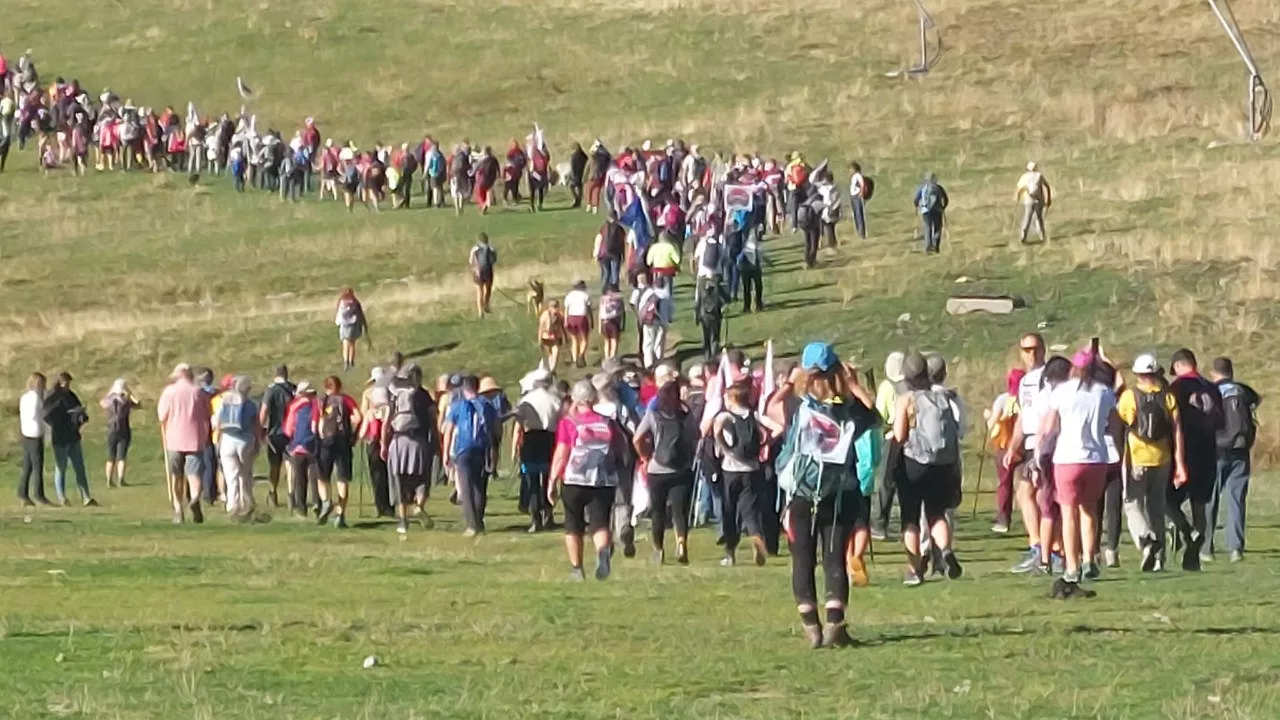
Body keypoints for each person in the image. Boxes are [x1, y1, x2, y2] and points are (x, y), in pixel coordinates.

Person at [774, 343, 870, 648]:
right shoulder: (849, 409)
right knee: (834, 559)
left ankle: (811, 627)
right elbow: (876, 418)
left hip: (800, 492)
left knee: (802, 559)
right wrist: (854, 385)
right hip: (837, 493)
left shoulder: (797, 406)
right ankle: (835, 625)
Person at [1038, 349, 1122, 589]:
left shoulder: (1061, 392)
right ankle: (1088, 559)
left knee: (1068, 513)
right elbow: (1115, 424)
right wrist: (1119, 451)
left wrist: (1042, 451)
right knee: (1089, 511)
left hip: (1067, 458)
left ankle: (1072, 566)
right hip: (1096, 458)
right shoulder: (1104, 392)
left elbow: (1050, 426)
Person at [892, 352, 963, 585]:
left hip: (914, 464)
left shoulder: (906, 399)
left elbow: (900, 435)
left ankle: (915, 570)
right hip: (941, 465)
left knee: (910, 518)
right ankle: (945, 550)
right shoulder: (942, 398)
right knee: (936, 513)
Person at [1116, 353, 1185, 572]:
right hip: (1162, 458)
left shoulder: (1129, 396)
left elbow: (1122, 424)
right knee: (1157, 507)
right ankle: (1159, 559)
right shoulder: (1168, 397)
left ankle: (1146, 540)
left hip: (1137, 458)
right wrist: (1180, 463)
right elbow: (1177, 431)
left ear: (1137, 374)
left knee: (1132, 504)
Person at [549, 380, 621, 581]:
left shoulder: (568, 423)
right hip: (602, 479)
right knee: (600, 523)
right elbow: (619, 449)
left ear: (575, 399)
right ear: (594, 398)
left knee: (573, 525)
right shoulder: (607, 422)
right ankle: (602, 550)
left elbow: (562, 453)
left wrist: (552, 478)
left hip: (574, 479)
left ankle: (577, 569)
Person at [711, 381, 781, 567]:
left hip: (730, 470)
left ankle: (730, 554)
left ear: (732, 399)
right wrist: (766, 444)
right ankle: (756, 536)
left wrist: (725, 449)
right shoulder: (754, 415)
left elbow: (716, 429)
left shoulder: (726, 416)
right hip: (752, 469)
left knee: (729, 511)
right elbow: (778, 428)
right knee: (750, 511)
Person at [1167, 349, 1223, 570]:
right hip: (1208, 451)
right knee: (1200, 504)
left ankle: (1184, 529)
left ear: (1179, 366)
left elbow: (1171, 421)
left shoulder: (1176, 389)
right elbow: (1220, 421)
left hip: (1183, 452)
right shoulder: (1212, 388)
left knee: (1167, 501)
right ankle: (1197, 543)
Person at [632, 373, 697, 565]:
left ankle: (658, 549)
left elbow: (637, 438)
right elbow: (695, 436)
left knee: (658, 511)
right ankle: (681, 543)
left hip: (657, 468)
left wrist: (644, 456)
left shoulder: (653, 415)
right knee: (679, 511)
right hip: (681, 468)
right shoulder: (686, 415)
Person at [1004, 333, 1050, 573]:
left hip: (1046, 442)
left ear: (1043, 349)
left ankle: (1048, 548)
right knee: (1024, 494)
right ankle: (1038, 544)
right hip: (1030, 442)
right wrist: (1013, 446)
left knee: (1041, 495)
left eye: (1035, 349)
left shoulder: (1051, 377)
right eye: (1026, 349)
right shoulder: (1024, 381)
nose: (1031, 354)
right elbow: (1024, 415)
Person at [1208, 357, 1260, 562]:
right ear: (1231, 372)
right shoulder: (1242, 391)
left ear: (1214, 373)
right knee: (1236, 499)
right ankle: (1236, 548)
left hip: (1218, 450)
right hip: (1241, 449)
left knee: (1210, 499)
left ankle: (1206, 548)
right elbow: (1257, 399)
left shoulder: (1213, 391)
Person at [382, 364, 438, 535]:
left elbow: (386, 422)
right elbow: (433, 421)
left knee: (400, 481)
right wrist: (436, 442)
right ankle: (419, 506)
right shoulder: (424, 395)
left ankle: (402, 521)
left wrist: (384, 444)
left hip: (398, 442)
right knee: (422, 478)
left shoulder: (395, 395)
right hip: (419, 441)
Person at [444, 375, 498, 536]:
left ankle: (472, 525)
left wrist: (446, 452)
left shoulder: (458, 406)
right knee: (479, 486)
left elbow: (448, 430)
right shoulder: (487, 406)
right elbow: (495, 429)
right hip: (482, 448)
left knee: (466, 487)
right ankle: (479, 521)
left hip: (463, 449)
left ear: (464, 388)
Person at [158, 364, 211, 523]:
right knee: (194, 474)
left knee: (176, 475)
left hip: (174, 439)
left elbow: (161, 416)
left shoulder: (169, 392)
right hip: (194, 439)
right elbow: (208, 413)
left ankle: (178, 509)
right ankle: (194, 498)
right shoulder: (198, 392)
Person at [514, 369, 561, 532]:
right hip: (549, 438)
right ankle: (548, 514)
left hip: (531, 438)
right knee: (549, 478)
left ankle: (535, 519)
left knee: (532, 479)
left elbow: (519, 423)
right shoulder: (555, 400)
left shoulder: (526, 400)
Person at [42, 372, 95, 508]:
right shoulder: (52, 397)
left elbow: (78, 409)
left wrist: (80, 415)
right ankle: (62, 497)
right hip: (60, 437)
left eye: (69, 383)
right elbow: (47, 415)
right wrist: (63, 415)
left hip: (73, 436)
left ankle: (86, 497)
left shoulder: (71, 395)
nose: (68, 386)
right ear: (60, 383)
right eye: (66, 383)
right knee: (61, 467)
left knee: (79, 467)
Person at [213, 375, 262, 519]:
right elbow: (256, 426)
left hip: (227, 440)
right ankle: (246, 502)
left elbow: (216, 422)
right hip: (245, 440)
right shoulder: (251, 405)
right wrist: (258, 441)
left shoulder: (225, 400)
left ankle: (232, 505)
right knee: (245, 474)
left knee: (231, 475)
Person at [317, 376, 362, 528]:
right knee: (342, 479)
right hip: (343, 441)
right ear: (340, 386)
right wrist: (353, 433)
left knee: (322, 476)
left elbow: (317, 423)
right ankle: (340, 514)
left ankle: (326, 501)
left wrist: (321, 436)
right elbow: (358, 417)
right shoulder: (346, 400)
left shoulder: (322, 401)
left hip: (327, 442)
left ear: (326, 387)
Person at [985, 369, 1023, 533]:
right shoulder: (1027, 399)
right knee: (1027, 484)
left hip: (1004, 445)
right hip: (1023, 445)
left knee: (1004, 484)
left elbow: (992, 424)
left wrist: (988, 416)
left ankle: (1003, 520)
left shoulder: (1002, 400)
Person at [283, 381, 322, 518]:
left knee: (300, 479)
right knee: (316, 477)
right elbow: (317, 427)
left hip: (297, 447)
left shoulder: (294, 407)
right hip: (314, 446)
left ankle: (301, 508)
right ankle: (317, 503)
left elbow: (288, 430)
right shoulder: (318, 405)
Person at [360, 367, 394, 518]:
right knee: (389, 472)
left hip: (373, 438)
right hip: (389, 436)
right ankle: (390, 505)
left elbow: (364, 413)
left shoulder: (368, 393)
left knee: (376, 473)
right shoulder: (391, 392)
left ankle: (380, 505)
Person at [259, 365, 295, 509]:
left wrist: (260, 428)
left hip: (274, 433)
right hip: (291, 432)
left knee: (274, 465)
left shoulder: (271, 390)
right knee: (290, 464)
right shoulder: (293, 389)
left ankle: (273, 491)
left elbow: (264, 411)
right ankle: (291, 493)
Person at [17, 372, 51, 506]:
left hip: (25, 433)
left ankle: (23, 493)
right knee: (37, 466)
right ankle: (38, 494)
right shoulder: (37, 397)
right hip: (35, 433)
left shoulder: (24, 397)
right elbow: (37, 415)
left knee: (27, 466)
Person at [99, 379, 140, 488]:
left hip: (111, 430)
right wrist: (129, 393)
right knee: (121, 456)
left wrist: (110, 393)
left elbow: (102, 403)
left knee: (110, 457)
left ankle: (109, 480)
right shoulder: (125, 400)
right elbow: (138, 404)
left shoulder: (110, 400)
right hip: (124, 429)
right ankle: (121, 479)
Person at [635, 274, 672, 369]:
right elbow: (671, 309)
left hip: (649, 320)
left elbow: (641, 306)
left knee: (648, 342)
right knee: (659, 342)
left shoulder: (649, 292)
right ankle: (659, 361)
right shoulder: (666, 295)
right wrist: (669, 319)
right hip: (663, 321)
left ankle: (648, 363)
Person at [1014, 161, 1052, 244]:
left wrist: (1017, 197)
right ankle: (1042, 236)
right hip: (1039, 200)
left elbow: (1019, 188)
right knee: (1039, 219)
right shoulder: (1039, 176)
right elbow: (1047, 186)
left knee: (1027, 218)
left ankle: (1023, 236)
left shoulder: (1024, 177)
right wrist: (1048, 198)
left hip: (1029, 200)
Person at [913, 172, 949, 254]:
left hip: (926, 211)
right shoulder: (939, 188)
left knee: (927, 227)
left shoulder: (923, 187)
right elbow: (946, 199)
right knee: (937, 228)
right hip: (937, 210)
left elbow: (916, 198)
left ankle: (928, 246)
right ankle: (935, 246)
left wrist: (917, 205)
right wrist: (943, 207)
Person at [736, 226, 769, 313]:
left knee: (748, 287)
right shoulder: (751, 238)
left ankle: (748, 306)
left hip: (746, 266)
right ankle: (757, 305)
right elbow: (760, 251)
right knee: (756, 286)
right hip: (753, 266)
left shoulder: (743, 237)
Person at [335, 288, 369, 371]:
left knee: (345, 344)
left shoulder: (342, 302)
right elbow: (360, 314)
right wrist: (364, 325)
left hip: (344, 325)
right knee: (352, 344)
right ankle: (351, 361)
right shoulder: (355, 302)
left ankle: (346, 362)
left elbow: (339, 314)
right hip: (354, 324)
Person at [696, 275, 729, 360]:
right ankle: (713, 357)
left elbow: (698, 300)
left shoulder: (701, 283)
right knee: (714, 337)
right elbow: (726, 298)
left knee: (707, 336)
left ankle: (708, 357)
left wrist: (697, 315)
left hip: (705, 314)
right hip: (715, 314)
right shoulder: (717, 281)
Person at [593, 212, 626, 294]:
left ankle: (604, 289)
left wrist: (596, 254)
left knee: (606, 273)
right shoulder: (620, 229)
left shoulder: (603, 228)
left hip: (603, 254)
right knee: (615, 272)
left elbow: (598, 241)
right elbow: (622, 243)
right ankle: (614, 288)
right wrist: (623, 255)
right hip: (616, 254)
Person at [563, 280, 593, 369]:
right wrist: (591, 320)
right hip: (582, 317)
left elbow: (566, 309)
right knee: (584, 339)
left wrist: (565, 320)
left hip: (571, 317)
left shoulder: (569, 295)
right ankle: (581, 355)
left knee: (574, 340)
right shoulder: (585, 295)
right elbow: (589, 309)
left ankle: (575, 360)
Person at [469, 232, 497, 318]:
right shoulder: (491, 248)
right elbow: (494, 260)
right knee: (487, 289)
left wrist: (474, 269)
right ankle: (486, 304)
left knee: (479, 291)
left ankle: (480, 312)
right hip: (488, 272)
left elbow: (471, 261)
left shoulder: (474, 249)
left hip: (477, 273)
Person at [598, 284, 625, 363]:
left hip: (604, 322)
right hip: (614, 321)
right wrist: (622, 324)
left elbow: (600, 313)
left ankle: (607, 358)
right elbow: (622, 312)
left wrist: (599, 326)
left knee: (606, 341)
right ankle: (612, 358)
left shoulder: (602, 299)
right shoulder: (619, 299)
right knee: (614, 341)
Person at [537, 299, 566, 373]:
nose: (555, 309)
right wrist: (539, 339)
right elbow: (540, 328)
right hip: (546, 337)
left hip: (556, 337)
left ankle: (553, 369)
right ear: (549, 308)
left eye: (557, 306)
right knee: (549, 354)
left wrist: (565, 336)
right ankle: (550, 368)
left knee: (556, 353)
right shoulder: (545, 315)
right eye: (554, 307)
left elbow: (563, 326)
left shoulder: (560, 315)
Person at [848, 161, 868, 239]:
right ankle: (858, 231)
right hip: (853, 196)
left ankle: (861, 232)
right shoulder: (853, 177)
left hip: (857, 196)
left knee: (859, 214)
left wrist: (861, 193)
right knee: (856, 214)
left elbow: (862, 184)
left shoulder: (858, 175)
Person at [567, 141, 588, 208]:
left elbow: (572, 166)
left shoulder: (573, 156)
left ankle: (576, 199)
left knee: (571, 186)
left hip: (575, 174)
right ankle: (578, 201)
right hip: (582, 174)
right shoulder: (584, 155)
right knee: (580, 188)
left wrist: (571, 175)